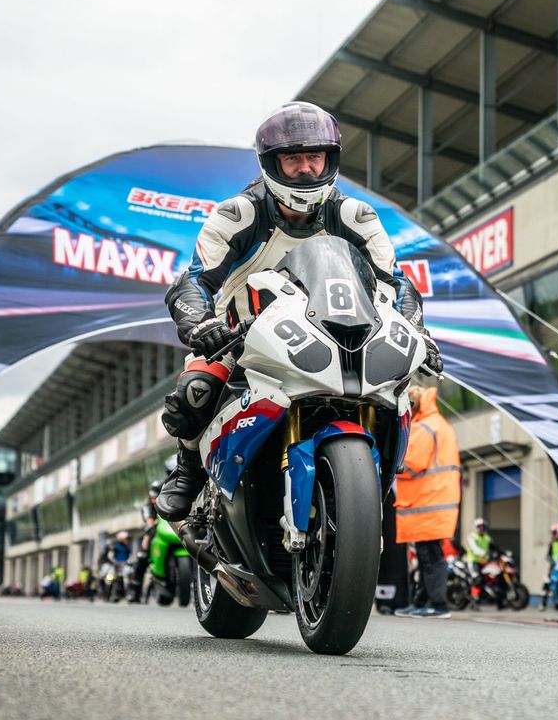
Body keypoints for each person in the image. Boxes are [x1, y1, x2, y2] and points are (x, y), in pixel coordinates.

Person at [155, 101, 440, 522]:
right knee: (194, 392)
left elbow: (396, 284)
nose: (306, 169)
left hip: (336, 335)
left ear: (330, 159)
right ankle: (189, 472)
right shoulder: (238, 215)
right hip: (241, 337)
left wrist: (419, 331)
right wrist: (201, 325)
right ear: (272, 164)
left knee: (393, 389)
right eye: (293, 160)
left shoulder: (356, 216)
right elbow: (194, 281)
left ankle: (372, 483)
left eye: (315, 157)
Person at [393, 380, 461, 619]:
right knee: (426, 557)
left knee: (431, 558)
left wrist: (392, 464)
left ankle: (438, 604)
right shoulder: (436, 424)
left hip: (427, 503)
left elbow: (411, 463)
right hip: (432, 502)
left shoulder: (425, 428)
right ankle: (422, 602)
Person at [129, 478, 163, 603]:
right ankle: (135, 591)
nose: (155, 500)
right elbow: (149, 521)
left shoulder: (172, 502)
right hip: (155, 536)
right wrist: (152, 524)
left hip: (172, 536)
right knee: (142, 558)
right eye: (154, 497)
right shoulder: (148, 508)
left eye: (158, 496)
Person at [464, 517, 494, 610]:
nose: (481, 528)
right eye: (479, 526)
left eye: (483, 526)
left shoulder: (487, 538)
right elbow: (474, 549)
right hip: (472, 562)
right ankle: (474, 601)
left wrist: (502, 553)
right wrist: (484, 553)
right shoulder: (472, 536)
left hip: (483, 562)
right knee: (477, 579)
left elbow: (493, 547)